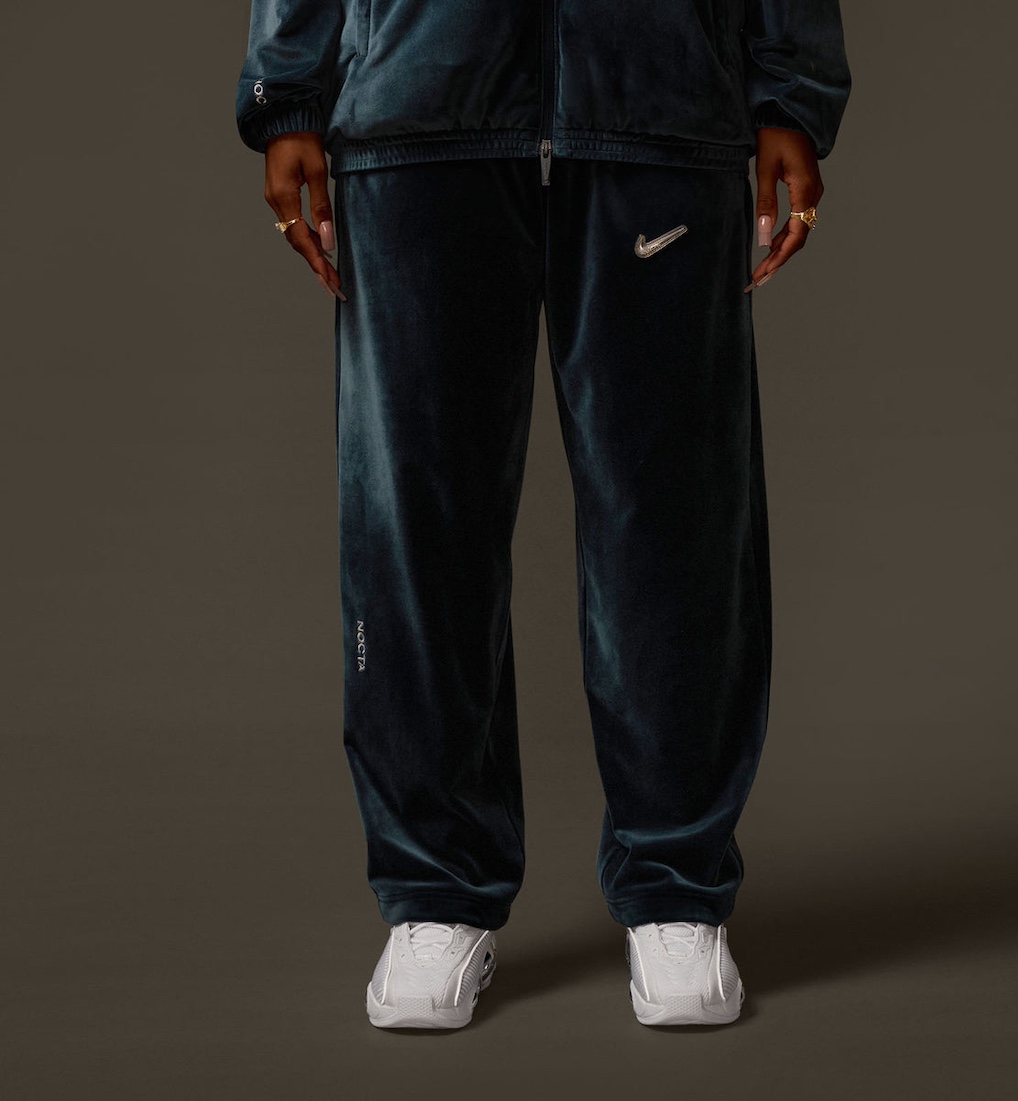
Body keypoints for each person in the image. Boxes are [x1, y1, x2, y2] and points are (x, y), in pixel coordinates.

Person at [236, 0, 851, 1030]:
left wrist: (789, 88)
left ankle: (674, 886)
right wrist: (287, 87)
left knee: (675, 520)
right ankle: (435, 891)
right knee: (417, 524)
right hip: (417, 97)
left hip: (659, 100)